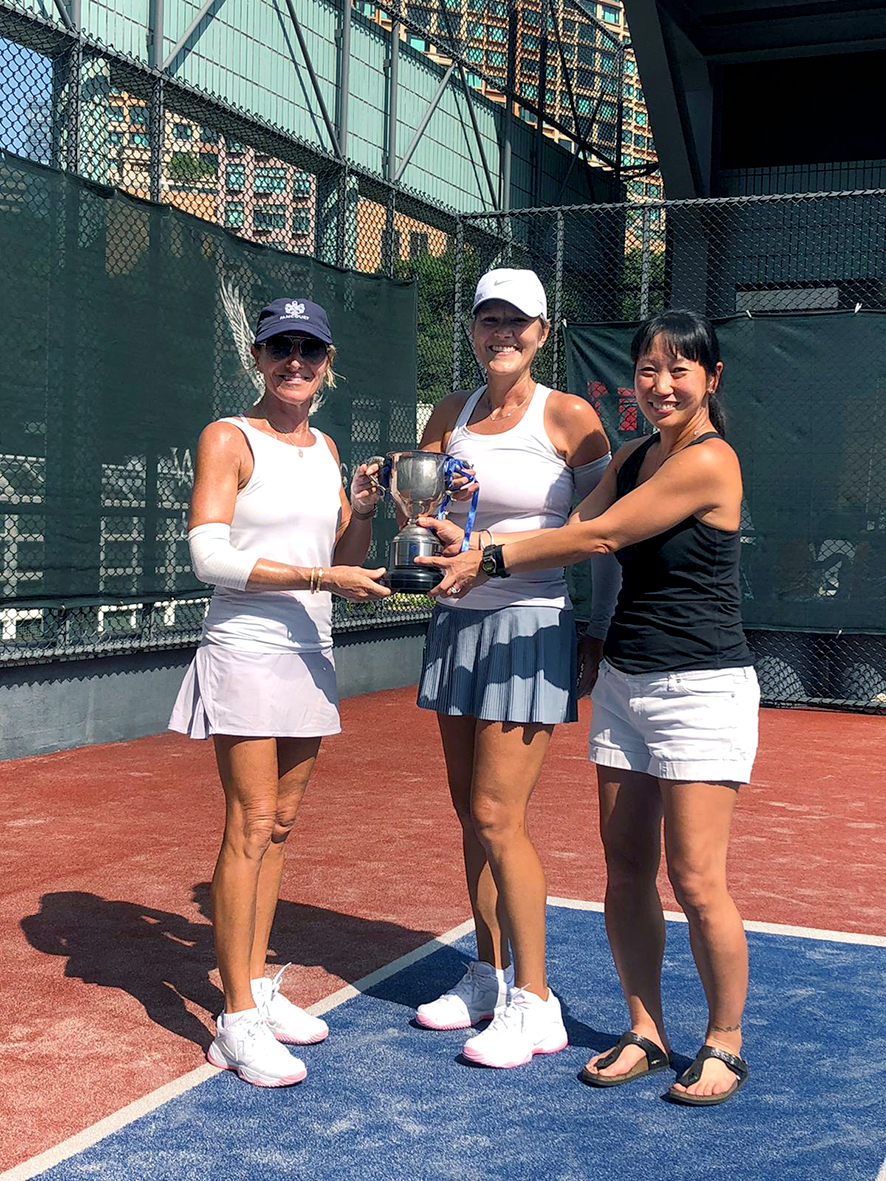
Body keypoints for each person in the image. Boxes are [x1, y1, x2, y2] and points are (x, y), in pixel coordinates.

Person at [419, 309, 759, 1106]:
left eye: (679, 369)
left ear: (711, 378)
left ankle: (725, 1040)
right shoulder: (635, 454)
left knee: (695, 876)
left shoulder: (712, 461)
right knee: (626, 865)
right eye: (648, 369)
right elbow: (568, 524)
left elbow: (601, 536)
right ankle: (646, 1029)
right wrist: (468, 530)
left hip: (700, 687)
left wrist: (489, 557)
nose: (661, 384)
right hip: (626, 681)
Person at [169, 297, 389, 1087]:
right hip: (246, 649)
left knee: (282, 824)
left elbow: (342, 552)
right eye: (281, 347)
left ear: (327, 363)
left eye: (310, 349)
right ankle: (234, 1022)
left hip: (308, 649)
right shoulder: (228, 437)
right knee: (251, 823)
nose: (296, 361)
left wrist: (363, 512)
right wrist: (321, 575)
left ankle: (256, 987)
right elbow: (208, 555)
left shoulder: (326, 447)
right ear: (257, 357)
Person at [411, 268, 620, 1069]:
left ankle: (536, 1002)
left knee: (499, 814)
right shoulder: (449, 414)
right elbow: (425, 520)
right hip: (455, 626)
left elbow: (602, 537)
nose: (503, 333)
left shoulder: (570, 418)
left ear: (542, 331)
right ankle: (487, 971)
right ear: (472, 328)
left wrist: (597, 629)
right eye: (489, 319)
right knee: (471, 813)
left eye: (518, 322)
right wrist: (417, 515)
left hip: (531, 625)